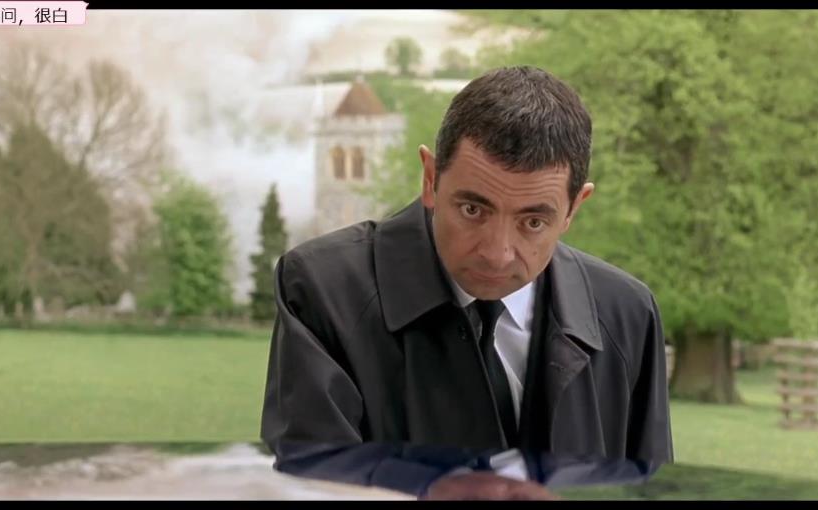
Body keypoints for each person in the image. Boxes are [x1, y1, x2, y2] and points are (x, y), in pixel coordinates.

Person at [260, 66, 673, 499]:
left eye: (533, 221)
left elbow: (650, 491)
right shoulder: (322, 290)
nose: (497, 253)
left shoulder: (628, 313)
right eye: (473, 210)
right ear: (430, 178)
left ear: (574, 207)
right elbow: (313, 482)